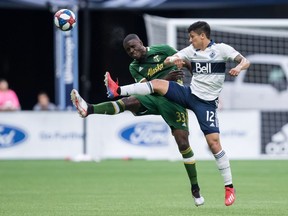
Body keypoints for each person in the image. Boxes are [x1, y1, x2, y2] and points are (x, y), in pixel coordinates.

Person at [104, 22, 251, 206]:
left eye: (192, 37)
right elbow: (169, 59)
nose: (190, 40)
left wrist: (238, 68)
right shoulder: (191, 50)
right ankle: (117, 90)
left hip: (206, 104)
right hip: (189, 94)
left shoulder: (222, 50)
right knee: (157, 83)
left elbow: (245, 61)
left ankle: (229, 187)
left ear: (202, 36)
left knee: (214, 144)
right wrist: (173, 60)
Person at [71, 34, 205, 206]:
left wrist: (195, 77)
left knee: (183, 144)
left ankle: (195, 188)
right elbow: (145, 89)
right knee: (130, 101)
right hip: (155, 98)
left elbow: (185, 61)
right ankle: (89, 109)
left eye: (134, 46)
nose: (132, 51)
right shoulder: (134, 67)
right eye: (128, 50)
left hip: (175, 100)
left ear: (141, 43)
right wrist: (165, 80)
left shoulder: (163, 50)